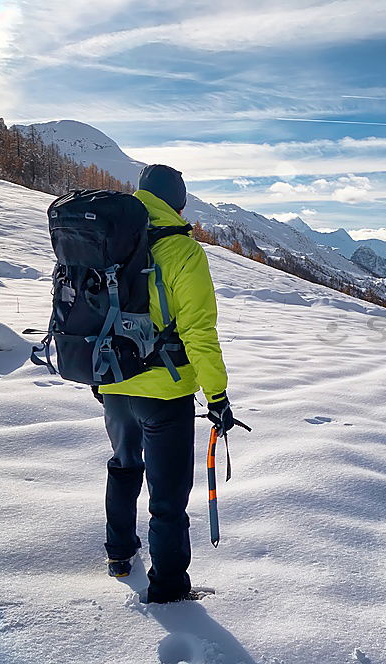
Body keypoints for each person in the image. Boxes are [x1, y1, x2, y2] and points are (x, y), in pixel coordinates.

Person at [94, 164, 234, 603]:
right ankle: (169, 590)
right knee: (168, 495)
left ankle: (119, 553)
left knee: (123, 463)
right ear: (179, 202)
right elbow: (198, 332)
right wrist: (217, 395)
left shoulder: (108, 239)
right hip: (165, 391)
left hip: (113, 381)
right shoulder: (183, 252)